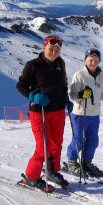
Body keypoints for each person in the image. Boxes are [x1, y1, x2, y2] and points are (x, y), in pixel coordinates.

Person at [16, 35, 73, 192]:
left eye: (57, 50)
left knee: (56, 144)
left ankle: (52, 171)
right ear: (44, 47)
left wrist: (66, 99)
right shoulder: (33, 65)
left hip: (58, 111)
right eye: (51, 49)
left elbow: (63, 86)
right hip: (39, 111)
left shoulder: (60, 65)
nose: (54, 52)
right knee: (44, 147)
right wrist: (32, 95)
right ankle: (31, 177)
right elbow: (20, 85)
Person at [66, 48, 103, 178]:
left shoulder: (100, 75)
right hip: (80, 113)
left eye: (96, 60)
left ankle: (86, 163)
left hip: (94, 115)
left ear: (99, 61)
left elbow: (99, 94)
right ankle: (72, 161)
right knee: (78, 140)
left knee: (93, 141)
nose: (93, 63)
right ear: (85, 60)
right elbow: (71, 95)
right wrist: (80, 94)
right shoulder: (79, 75)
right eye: (90, 60)